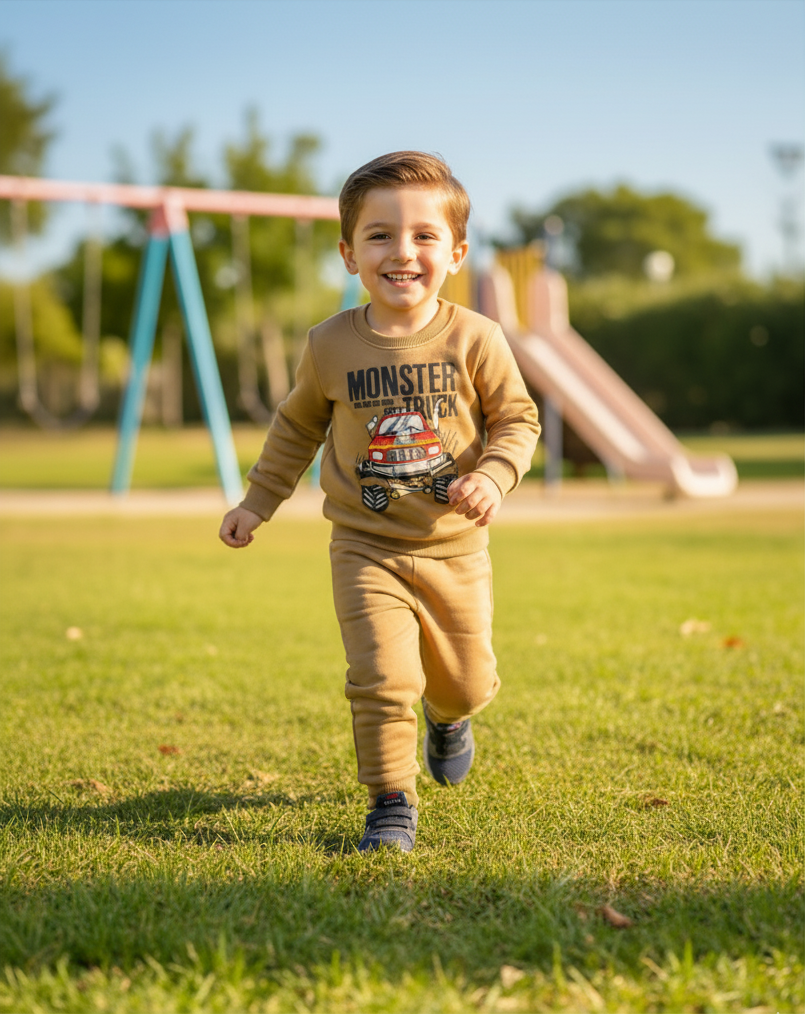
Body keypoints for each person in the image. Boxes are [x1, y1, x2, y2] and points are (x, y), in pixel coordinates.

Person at [219, 151, 540, 852]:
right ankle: (390, 801)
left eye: (424, 235)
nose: (403, 251)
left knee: (464, 683)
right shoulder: (329, 344)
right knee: (382, 677)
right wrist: (256, 502)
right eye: (380, 235)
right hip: (364, 547)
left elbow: (518, 420)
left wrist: (492, 474)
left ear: (455, 253)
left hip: (455, 547)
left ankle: (450, 718)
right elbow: (297, 427)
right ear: (347, 253)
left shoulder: (474, 338)